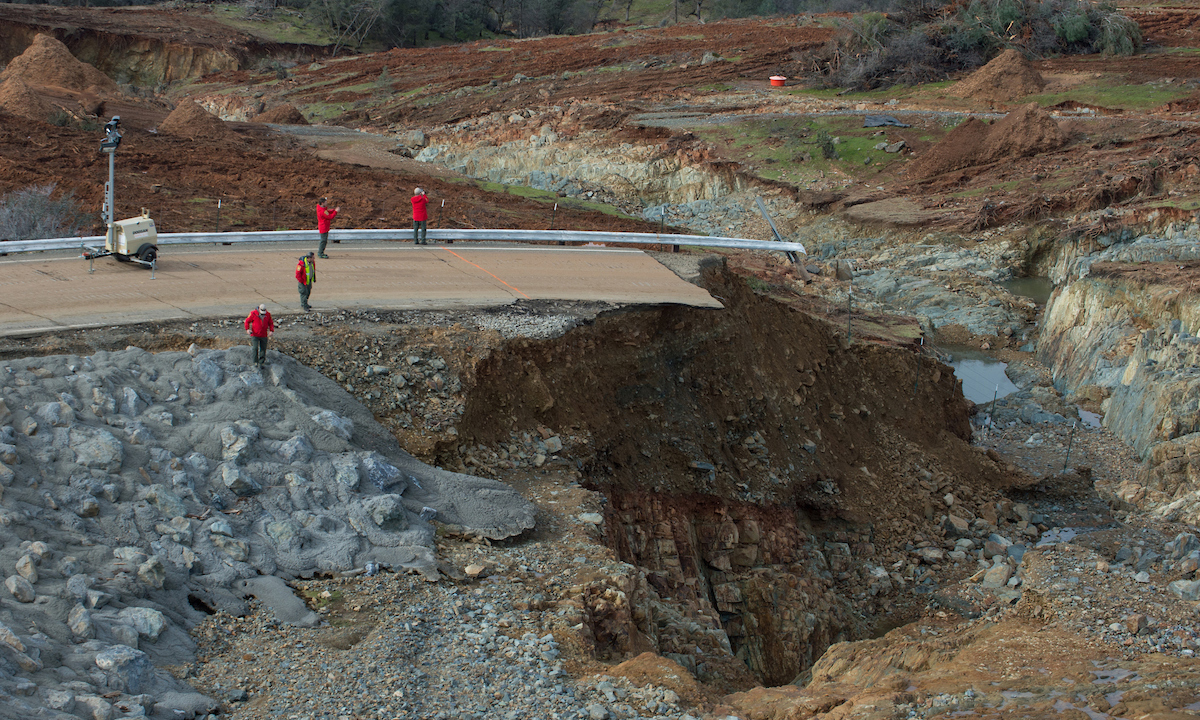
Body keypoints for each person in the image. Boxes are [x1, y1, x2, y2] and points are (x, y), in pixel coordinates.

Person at [243, 303, 275, 368]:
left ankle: (261, 362)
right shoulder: (253, 313)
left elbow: (271, 323)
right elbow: (247, 321)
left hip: (264, 335)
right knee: (255, 348)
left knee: (263, 349)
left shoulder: (268, 315)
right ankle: (255, 362)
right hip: (255, 334)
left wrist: (271, 330)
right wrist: (247, 329)